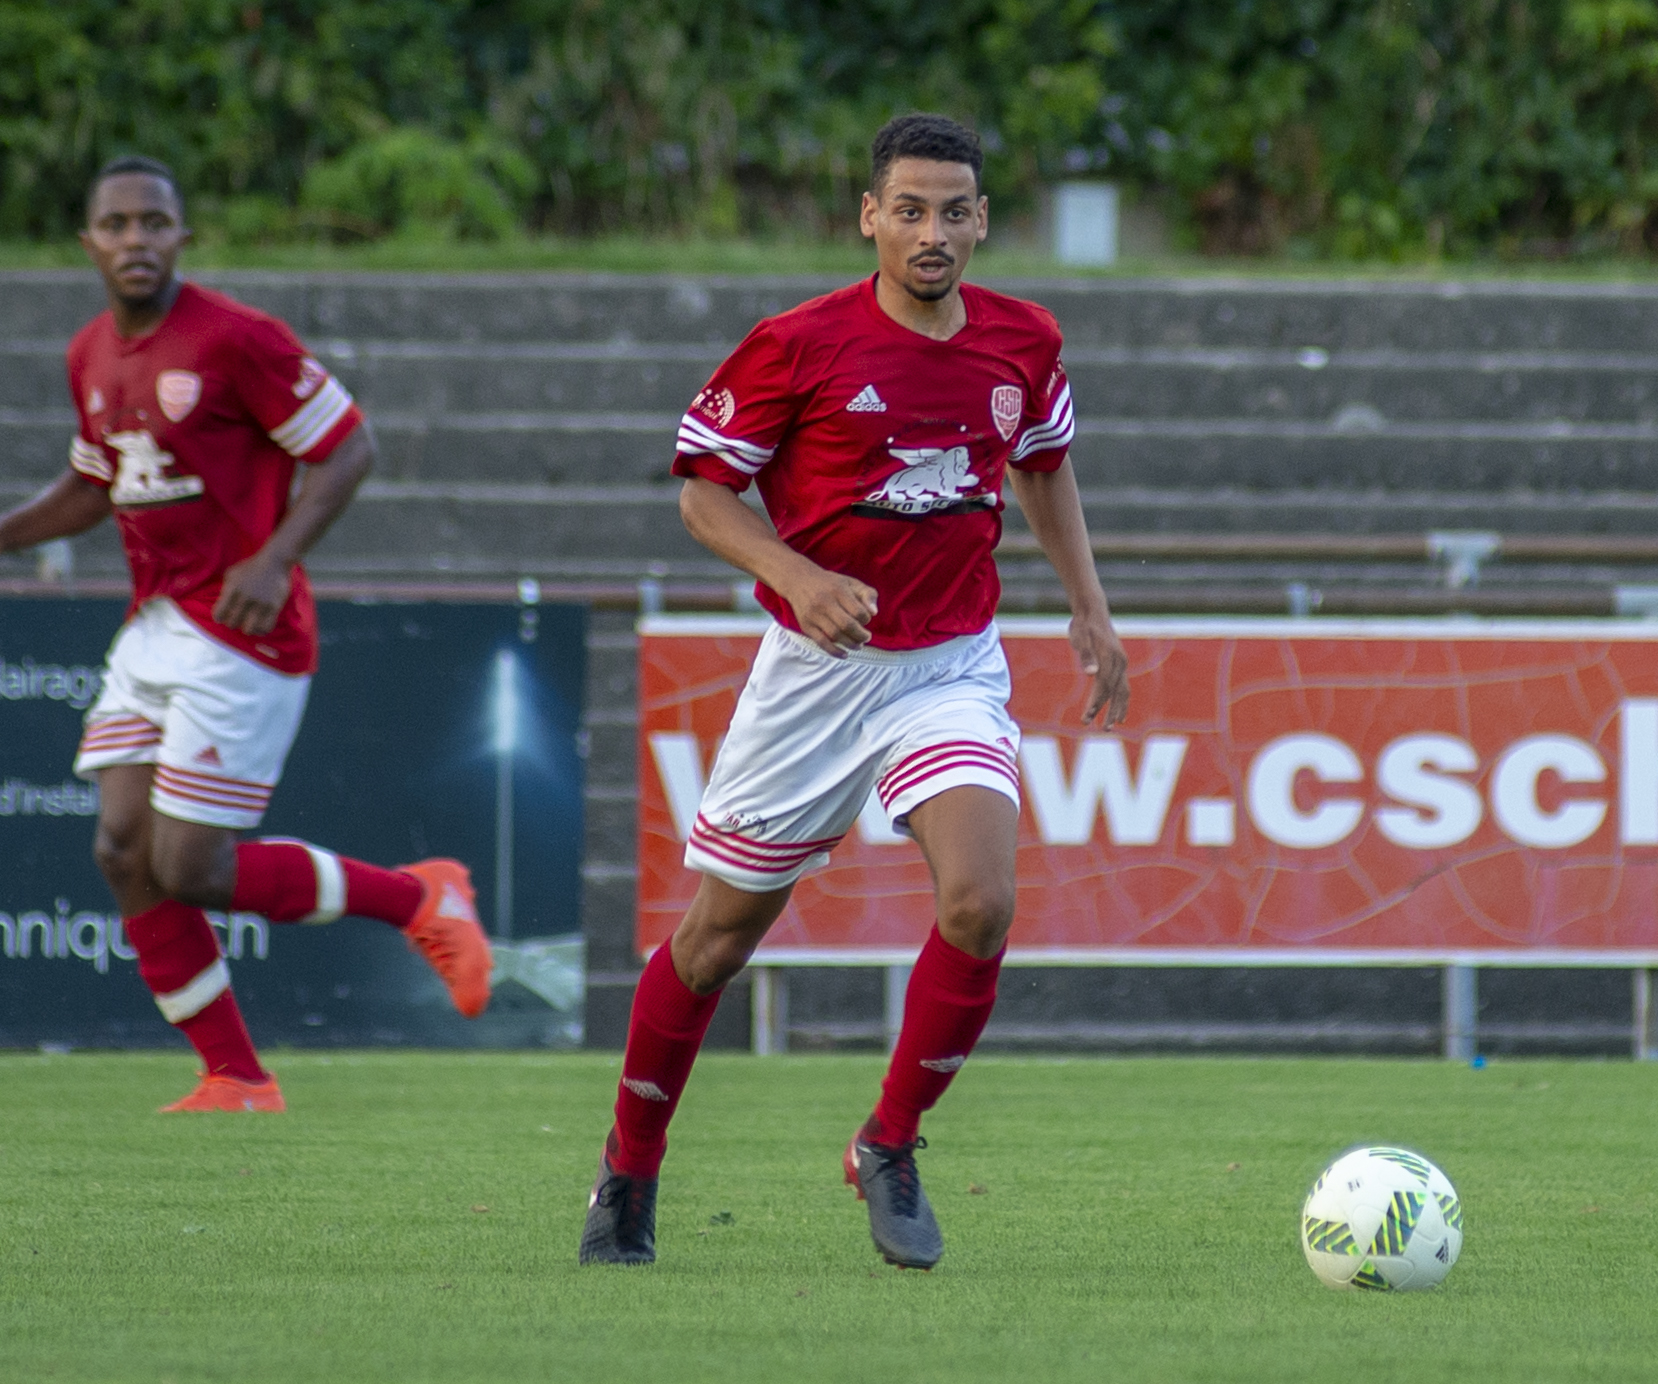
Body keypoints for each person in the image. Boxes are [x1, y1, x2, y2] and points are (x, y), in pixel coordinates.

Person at [580, 113, 1130, 1270]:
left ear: (983, 221)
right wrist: (795, 573)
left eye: (956, 212)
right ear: (870, 216)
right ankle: (629, 1166)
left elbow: (1044, 464)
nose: (934, 233)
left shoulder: (1024, 340)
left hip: (949, 665)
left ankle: (888, 1140)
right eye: (911, 210)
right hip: (815, 677)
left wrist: (1089, 604)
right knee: (714, 944)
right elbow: (703, 494)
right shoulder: (797, 344)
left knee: (980, 901)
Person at [0, 156, 494, 1112]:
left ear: (182, 236)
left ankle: (421, 899)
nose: (136, 239)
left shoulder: (235, 338)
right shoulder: (89, 353)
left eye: (154, 222)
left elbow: (348, 446)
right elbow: (96, 485)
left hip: (241, 629)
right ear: (89, 243)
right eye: (117, 224)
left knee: (192, 868)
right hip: (154, 624)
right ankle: (234, 1075)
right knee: (120, 848)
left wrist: (274, 559)